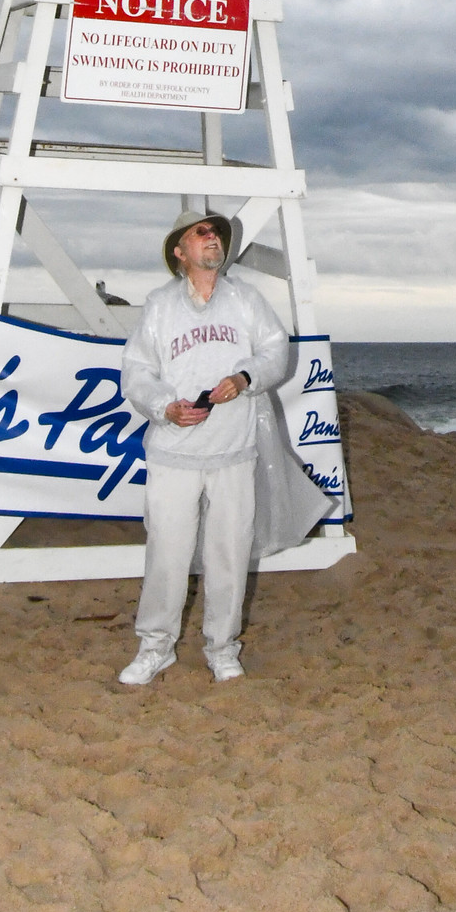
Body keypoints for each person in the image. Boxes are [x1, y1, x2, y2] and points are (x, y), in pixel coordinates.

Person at [117, 209, 292, 687]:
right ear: (180, 251)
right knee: (167, 556)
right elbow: (135, 373)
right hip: (173, 454)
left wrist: (244, 378)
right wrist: (165, 408)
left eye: (216, 233)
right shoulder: (159, 306)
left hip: (234, 452)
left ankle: (222, 648)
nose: (212, 238)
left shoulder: (247, 301)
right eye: (202, 232)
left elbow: (277, 352)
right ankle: (155, 647)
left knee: (230, 555)